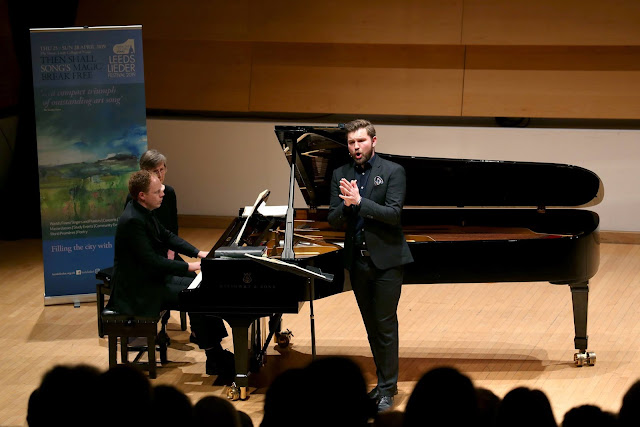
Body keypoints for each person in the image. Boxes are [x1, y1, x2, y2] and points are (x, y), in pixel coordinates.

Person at [107, 170, 233, 376]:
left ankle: (216, 352)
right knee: (197, 295)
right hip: (138, 290)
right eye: (157, 192)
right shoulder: (132, 221)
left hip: (149, 280)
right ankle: (214, 357)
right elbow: (151, 261)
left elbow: (166, 236)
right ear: (142, 195)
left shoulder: (143, 211)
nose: (162, 194)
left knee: (201, 286)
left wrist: (198, 253)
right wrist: (190, 266)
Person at [328, 119, 413, 412]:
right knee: (371, 327)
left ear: (374, 141)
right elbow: (332, 218)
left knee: (385, 325)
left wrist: (360, 202)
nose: (356, 148)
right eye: (351, 143)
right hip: (358, 262)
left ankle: (388, 388)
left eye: (361, 141)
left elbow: (393, 214)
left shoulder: (392, 172)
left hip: (387, 262)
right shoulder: (340, 173)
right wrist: (347, 205)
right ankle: (381, 384)